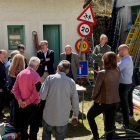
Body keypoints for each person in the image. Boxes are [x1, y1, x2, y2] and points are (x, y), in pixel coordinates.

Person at [40, 60, 79, 140]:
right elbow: (75, 100)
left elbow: (42, 96)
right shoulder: (71, 82)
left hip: (49, 114)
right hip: (63, 116)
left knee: (46, 134)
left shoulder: (49, 78)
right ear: (68, 71)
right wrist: (75, 115)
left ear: (57, 68)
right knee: (60, 136)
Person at [87, 52, 120, 140]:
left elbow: (96, 88)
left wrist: (94, 98)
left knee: (90, 116)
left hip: (104, 101)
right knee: (109, 126)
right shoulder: (117, 71)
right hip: (115, 100)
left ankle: (96, 137)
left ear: (106, 60)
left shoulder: (103, 73)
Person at [12, 56, 41, 140]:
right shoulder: (36, 75)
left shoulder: (20, 73)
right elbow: (36, 92)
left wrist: (20, 100)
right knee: (33, 127)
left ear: (28, 63)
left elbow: (14, 89)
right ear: (37, 66)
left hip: (22, 104)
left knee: (23, 126)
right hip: (33, 105)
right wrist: (26, 101)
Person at [117, 44, 133, 130]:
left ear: (124, 50)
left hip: (124, 84)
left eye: (119, 50)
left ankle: (125, 125)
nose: (118, 52)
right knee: (123, 104)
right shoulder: (126, 59)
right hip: (126, 83)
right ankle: (124, 121)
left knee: (124, 105)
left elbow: (116, 69)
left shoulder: (125, 60)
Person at [9, 54, 25, 132]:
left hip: (14, 91)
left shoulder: (11, 69)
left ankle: (17, 127)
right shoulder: (21, 72)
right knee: (21, 112)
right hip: (20, 92)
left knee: (15, 110)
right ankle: (20, 129)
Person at [6, 50, 19, 124]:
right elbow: (9, 77)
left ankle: (12, 118)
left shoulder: (10, 63)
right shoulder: (10, 64)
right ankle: (13, 119)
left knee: (12, 103)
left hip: (11, 86)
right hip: (12, 86)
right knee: (13, 104)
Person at [0, 50, 7, 119]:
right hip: (0, 86)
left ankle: (1, 114)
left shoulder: (3, 63)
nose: (5, 55)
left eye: (6, 54)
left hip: (3, 85)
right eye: (4, 54)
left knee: (2, 101)